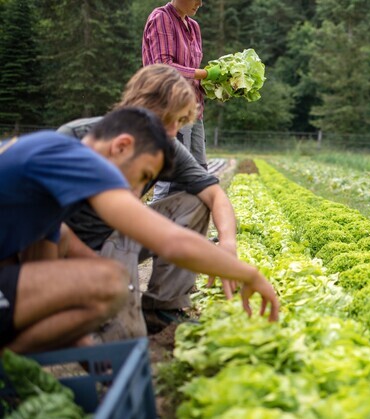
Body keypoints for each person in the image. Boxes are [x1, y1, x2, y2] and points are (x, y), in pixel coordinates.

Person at [1, 108, 279, 354]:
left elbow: (45, 281)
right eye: (144, 175)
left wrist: (95, 360)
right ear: (122, 146)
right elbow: (172, 242)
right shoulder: (77, 159)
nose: (138, 190)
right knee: (110, 281)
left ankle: (13, 362)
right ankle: (8, 362)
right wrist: (248, 273)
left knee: (74, 251)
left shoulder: (51, 164)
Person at [58, 64, 242, 339]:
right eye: (169, 119)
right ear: (142, 105)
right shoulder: (79, 138)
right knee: (124, 336)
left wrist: (227, 243)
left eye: (180, 123)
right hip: (74, 252)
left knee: (196, 199)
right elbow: (47, 225)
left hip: (122, 236)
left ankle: (161, 306)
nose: (173, 131)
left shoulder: (166, 145)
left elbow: (214, 194)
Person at [142, 0, 222, 172]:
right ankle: (164, 201)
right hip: (171, 109)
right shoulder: (162, 18)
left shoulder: (194, 27)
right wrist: (205, 74)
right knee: (174, 173)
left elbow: (191, 74)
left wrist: (218, 85)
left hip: (194, 109)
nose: (200, 3)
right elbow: (163, 66)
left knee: (198, 172)